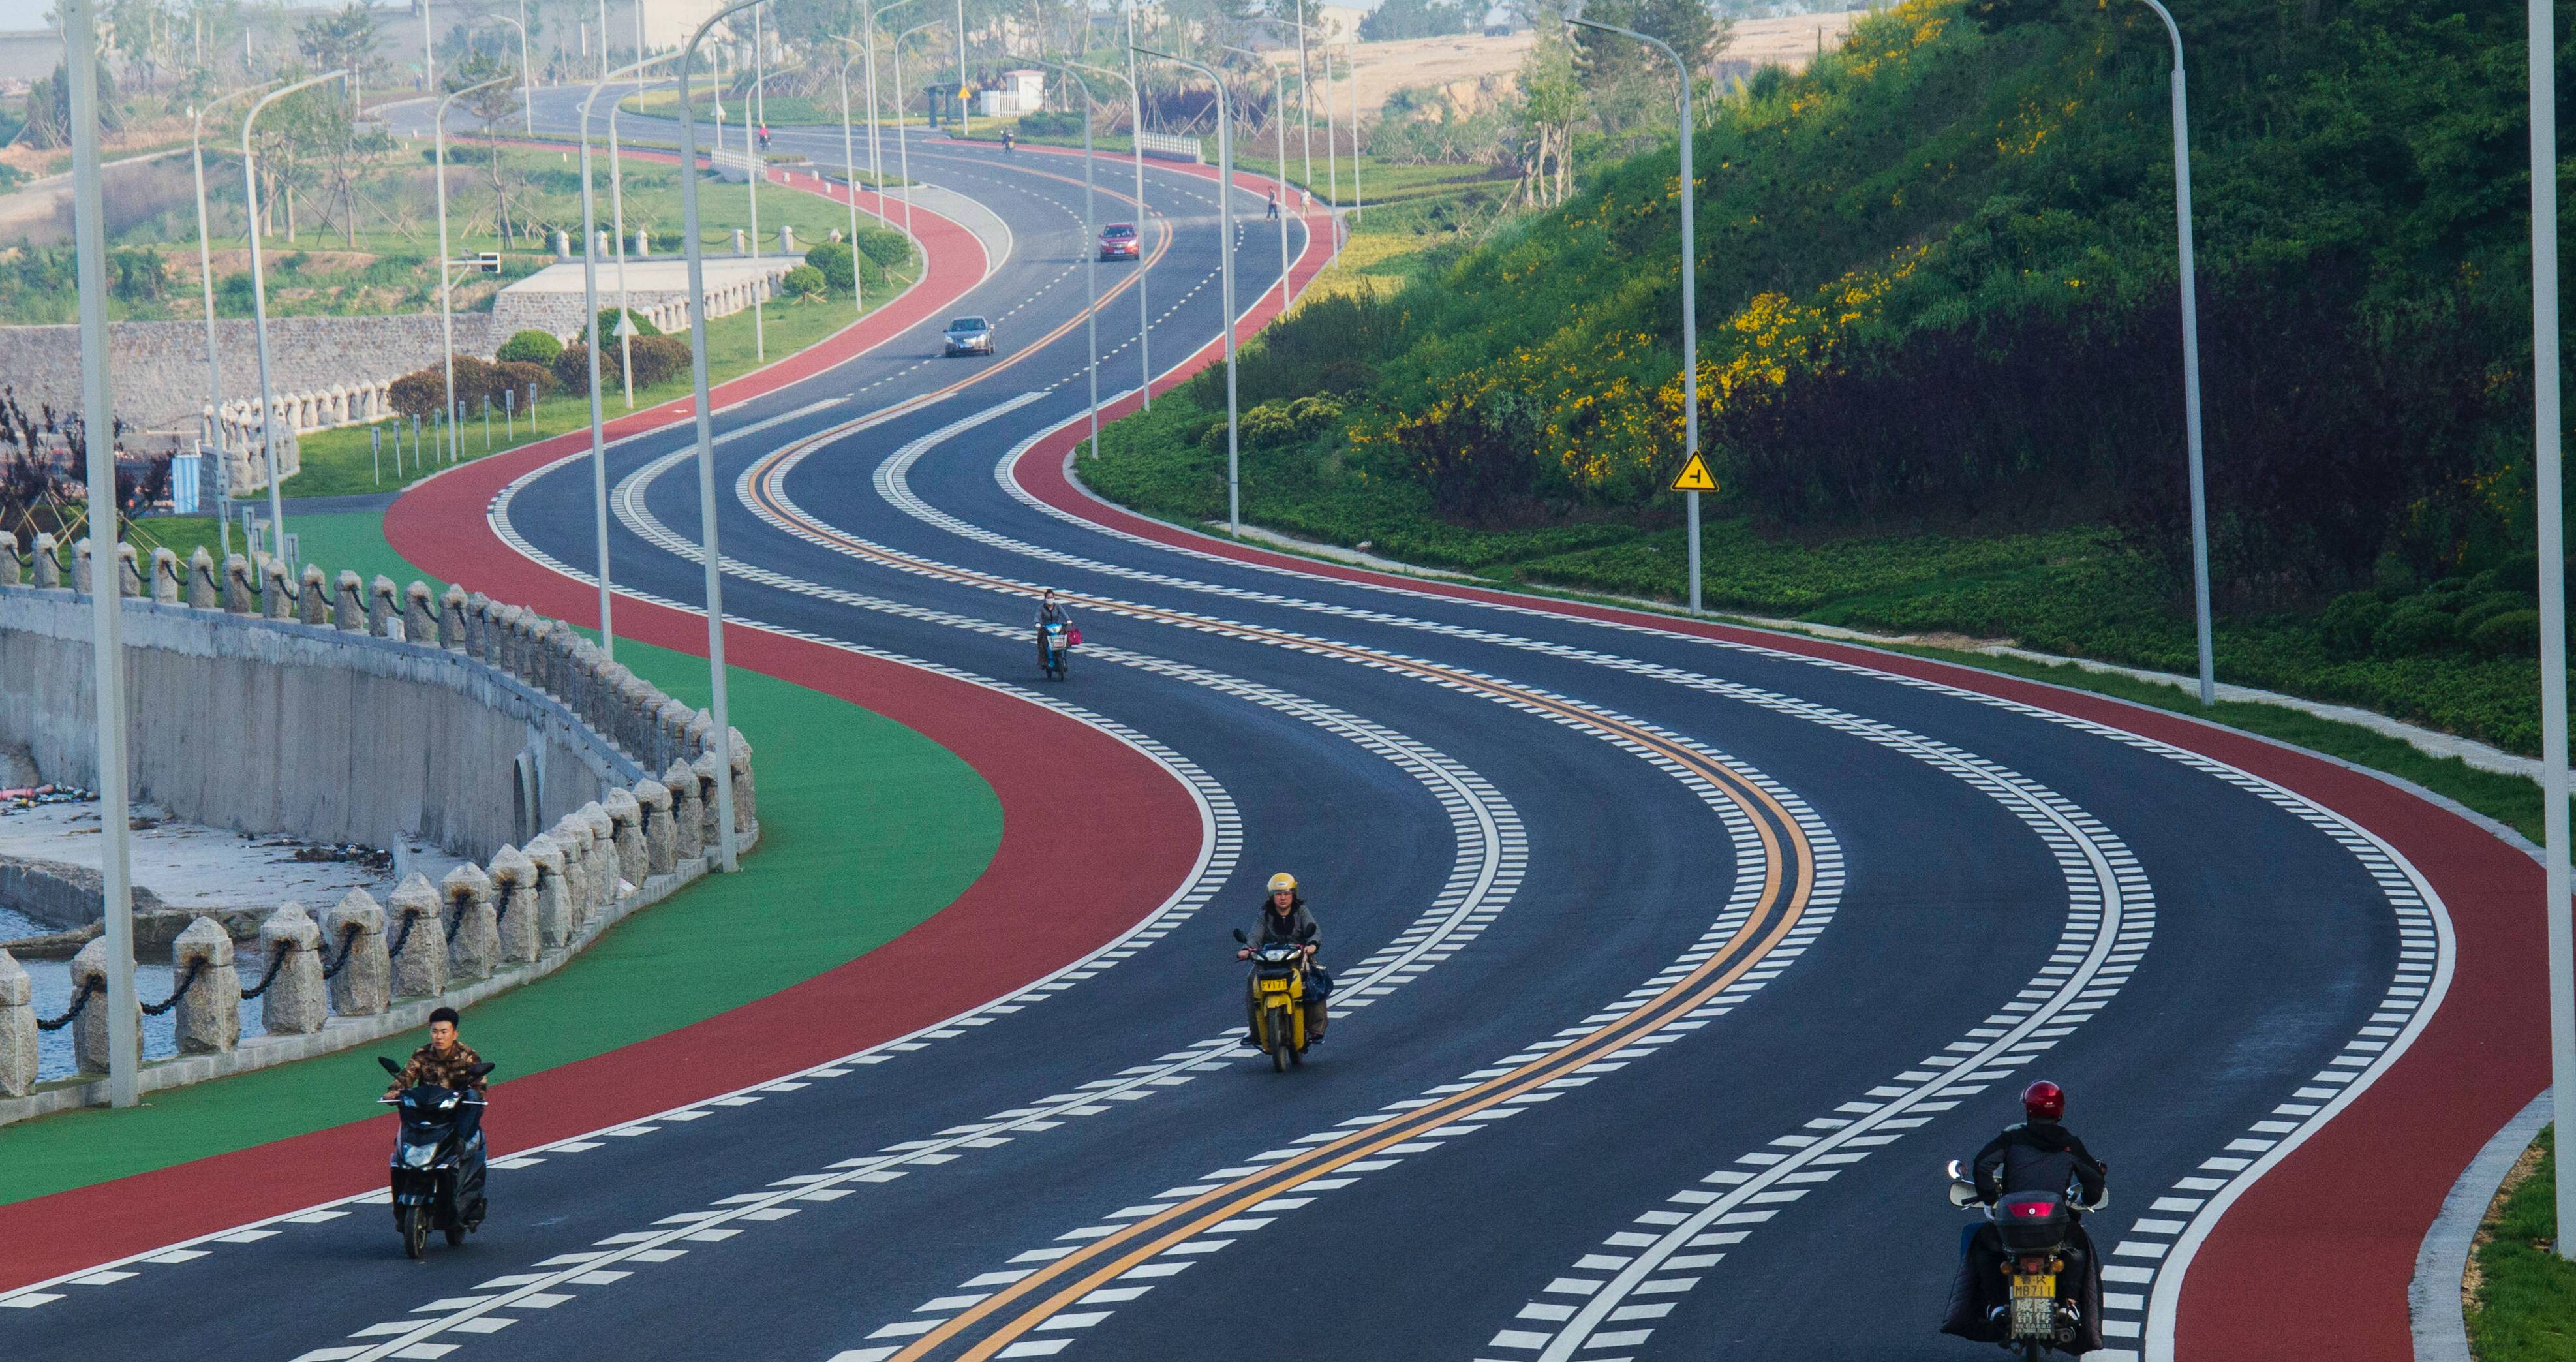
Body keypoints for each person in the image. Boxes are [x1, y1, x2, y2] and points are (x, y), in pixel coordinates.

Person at [1940, 1080, 2108, 1351]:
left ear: (2028, 1110)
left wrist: (1992, 1200)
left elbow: (1984, 1165)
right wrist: (2087, 1199)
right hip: (2055, 1226)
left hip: (2011, 1224)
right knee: (2078, 1246)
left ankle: (1995, 1307)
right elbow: (2094, 1184)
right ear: (2060, 1111)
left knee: (1983, 1244)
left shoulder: (2012, 1138)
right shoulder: (2070, 1144)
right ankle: (2070, 1305)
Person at [1237, 871, 1325, 1047]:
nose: (1283, 898)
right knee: (1251, 981)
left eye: (1286, 894)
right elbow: (1255, 935)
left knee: (1314, 981)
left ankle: (1316, 1029)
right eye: (1278, 894)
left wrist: (1312, 945)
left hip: (1297, 959)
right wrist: (1247, 949)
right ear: (1271, 897)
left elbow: (1313, 929)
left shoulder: (1302, 911)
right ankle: (1254, 1030)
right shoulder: (1264, 916)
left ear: (1294, 894)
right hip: (1268, 961)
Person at [385, 1006, 486, 1097]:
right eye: (435, 1032)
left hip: (458, 1109)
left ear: (455, 1035)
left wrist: (471, 1095)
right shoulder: (421, 1054)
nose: (439, 1037)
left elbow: (479, 1085)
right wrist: (394, 1091)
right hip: (428, 1107)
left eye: (444, 1032)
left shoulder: (468, 1056)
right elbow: (406, 1077)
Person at [1035, 589, 1078, 666]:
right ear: (1045, 599)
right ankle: (1050, 660)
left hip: (1056, 628)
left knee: (1064, 641)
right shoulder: (1041, 608)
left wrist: (1068, 620)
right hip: (1046, 628)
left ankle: (1062, 658)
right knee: (1045, 644)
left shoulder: (1058, 606)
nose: (1050, 600)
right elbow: (1037, 616)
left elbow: (1064, 614)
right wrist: (1037, 623)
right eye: (1048, 598)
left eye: (1051, 598)